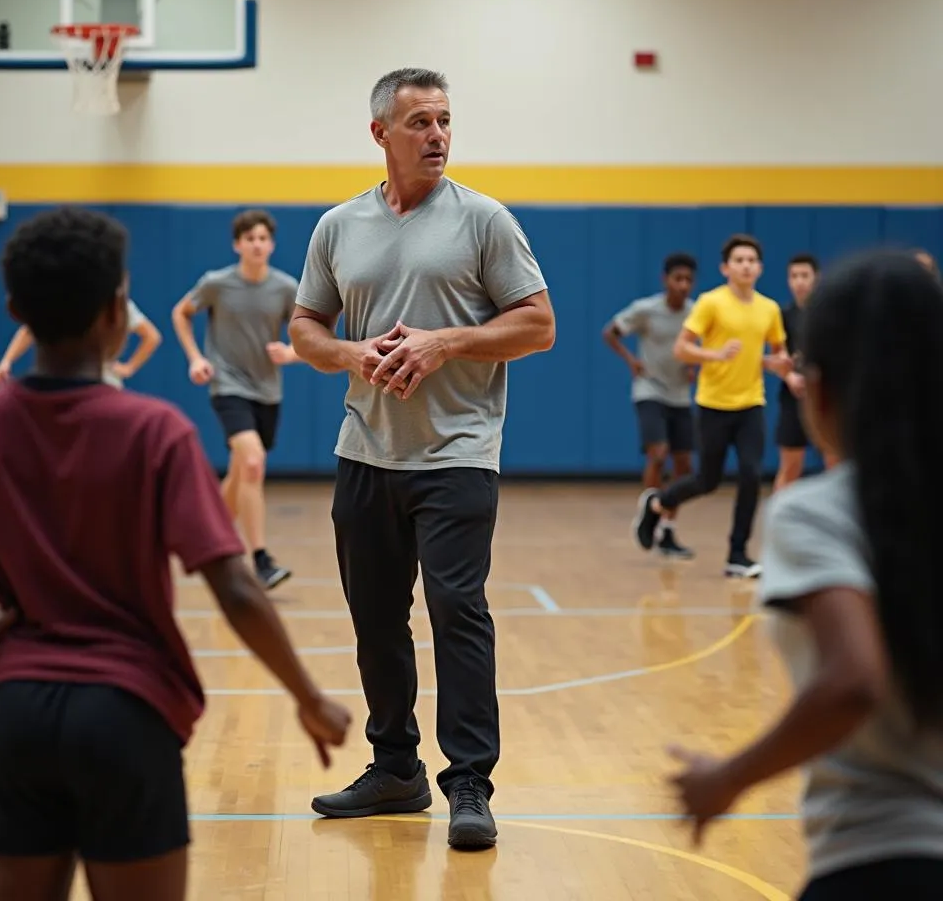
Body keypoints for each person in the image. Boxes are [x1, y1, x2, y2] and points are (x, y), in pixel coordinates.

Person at [0, 207, 350, 901]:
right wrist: (308, 696)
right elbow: (235, 587)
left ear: (14, 309)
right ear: (117, 311)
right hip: (126, 715)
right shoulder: (154, 432)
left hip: (15, 716)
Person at [288, 67, 555, 851]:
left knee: (456, 610)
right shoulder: (339, 227)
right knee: (376, 618)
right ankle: (394, 769)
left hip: (460, 453)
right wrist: (346, 352)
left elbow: (539, 326)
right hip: (365, 451)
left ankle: (469, 781)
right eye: (420, 123)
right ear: (381, 134)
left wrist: (448, 342)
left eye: (444, 121)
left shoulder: (485, 221)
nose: (437, 135)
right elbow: (305, 327)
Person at [668, 248, 943, 900]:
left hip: (883, 859)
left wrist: (729, 776)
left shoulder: (817, 512)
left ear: (815, 388)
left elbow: (853, 681)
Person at [631, 233, 791, 578]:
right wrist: (714, 355)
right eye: (739, 260)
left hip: (751, 404)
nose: (746, 265)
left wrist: (779, 365)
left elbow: (777, 353)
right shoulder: (710, 303)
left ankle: (737, 554)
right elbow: (682, 349)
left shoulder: (769, 309)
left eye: (751, 260)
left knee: (750, 474)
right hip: (713, 404)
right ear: (726, 268)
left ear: (760, 268)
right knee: (707, 479)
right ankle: (658, 503)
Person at [172, 209, 299, 590]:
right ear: (237, 244)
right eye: (250, 239)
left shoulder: (286, 288)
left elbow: (310, 333)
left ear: (271, 245)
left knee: (241, 470)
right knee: (254, 463)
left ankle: (208, 542)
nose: (257, 244)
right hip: (228, 384)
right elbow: (181, 312)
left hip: (268, 390)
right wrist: (196, 357)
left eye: (263, 238)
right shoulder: (217, 283)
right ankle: (260, 560)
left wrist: (291, 353)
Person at [603, 252, 698, 559]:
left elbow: (704, 347)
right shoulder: (647, 310)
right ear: (665, 279)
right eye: (677, 279)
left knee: (684, 466)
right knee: (659, 453)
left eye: (688, 280)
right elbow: (611, 332)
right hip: (650, 389)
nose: (683, 285)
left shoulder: (697, 313)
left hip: (681, 394)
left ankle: (668, 529)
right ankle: (649, 510)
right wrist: (631, 360)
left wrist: (696, 366)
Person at [0, 297, 161, 389]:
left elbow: (152, 336)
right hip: (58, 384)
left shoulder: (113, 303)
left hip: (101, 382)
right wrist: (7, 360)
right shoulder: (57, 299)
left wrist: (129, 367)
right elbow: (29, 330)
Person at [772, 254, 820, 492]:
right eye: (794, 276)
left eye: (805, 276)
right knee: (791, 466)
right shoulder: (781, 316)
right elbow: (772, 358)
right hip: (793, 398)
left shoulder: (828, 313)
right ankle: (777, 527)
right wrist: (789, 376)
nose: (799, 281)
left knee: (835, 462)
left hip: (824, 397)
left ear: (816, 278)